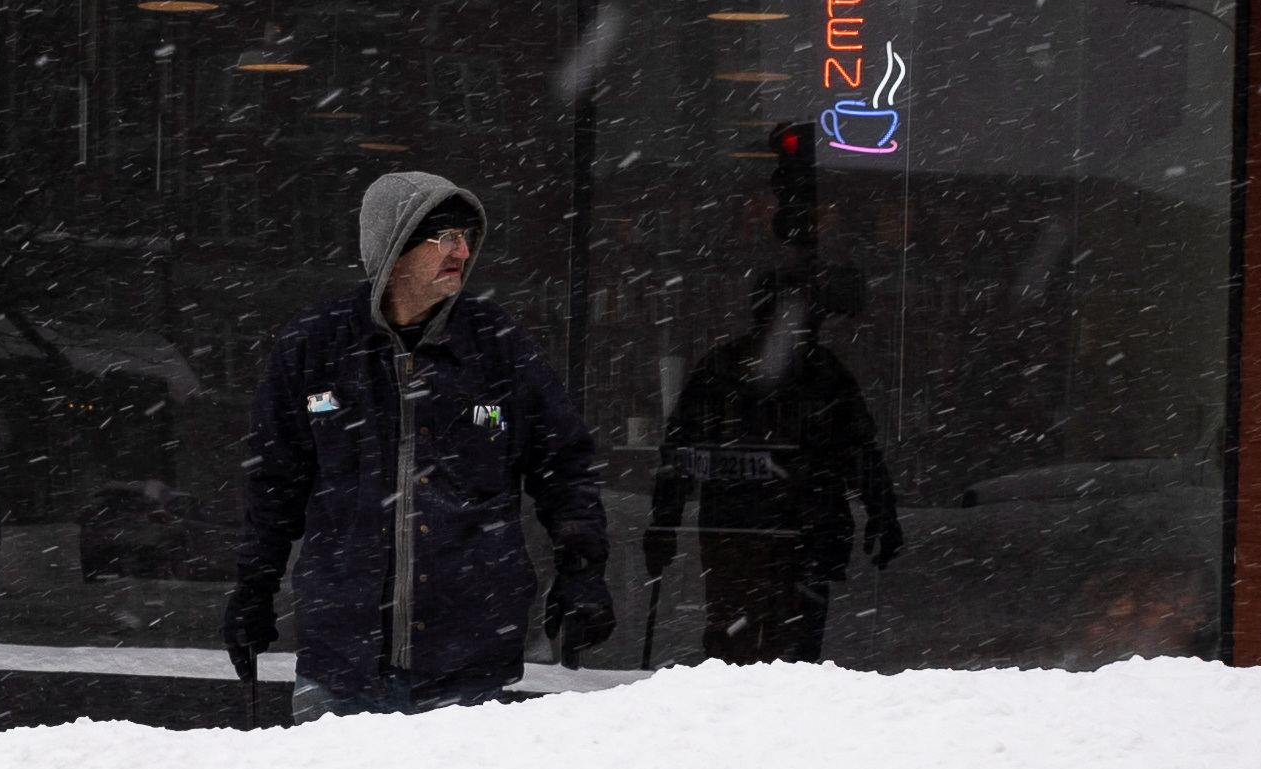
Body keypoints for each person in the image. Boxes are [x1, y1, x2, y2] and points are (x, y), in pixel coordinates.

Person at [227, 171, 612, 717]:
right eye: (442, 237)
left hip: (468, 661)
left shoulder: (496, 348)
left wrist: (583, 573)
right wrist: (252, 591)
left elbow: (564, 468)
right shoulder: (316, 346)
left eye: (464, 235)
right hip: (341, 658)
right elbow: (274, 485)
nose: (461, 249)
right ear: (392, 251)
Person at [643, 262, 901, 664]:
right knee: (787, 652)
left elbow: (680, 450)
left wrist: (664, 521)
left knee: (740, 647)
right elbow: (859, 452)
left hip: (747, 531)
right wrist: (881, 513)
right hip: (792, 533)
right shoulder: (821, 374)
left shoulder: (725, 368)